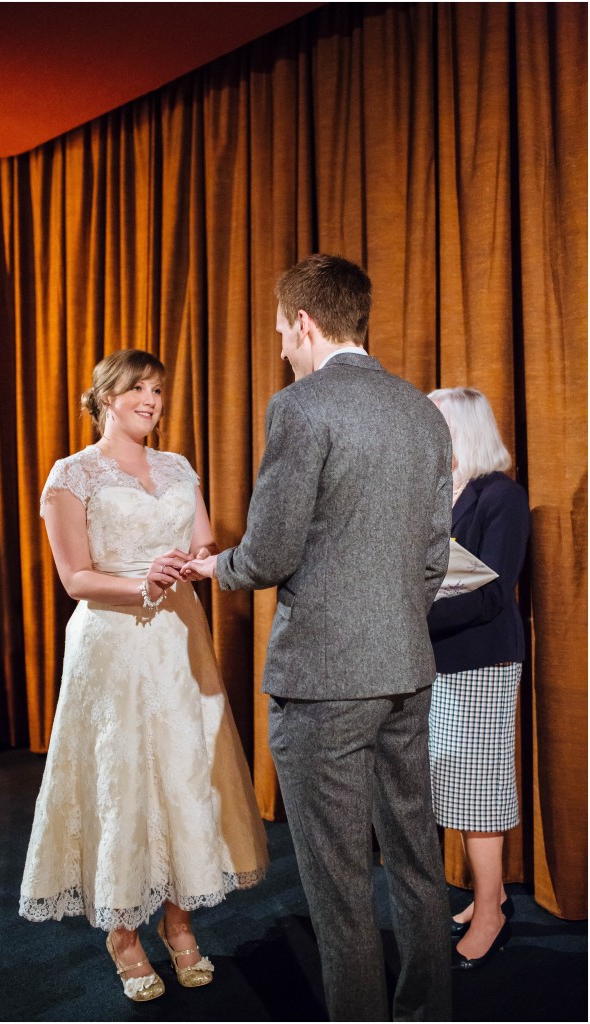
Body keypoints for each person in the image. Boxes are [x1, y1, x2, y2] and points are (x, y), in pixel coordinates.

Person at [183, 254, 454, 1021]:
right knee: (415, 863)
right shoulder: (421, 411)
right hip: (405, 664)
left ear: (305, 322)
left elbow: (268, 554)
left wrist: (216, 567)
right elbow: (434, 557)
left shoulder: (302, 406)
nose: (280, 349)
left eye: (280, 332)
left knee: (337, 886)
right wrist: (393, 615)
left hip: (323, 683)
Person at [19, 349, 267, 1003]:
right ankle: (124, 933)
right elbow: (74, 578)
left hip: (180, 642)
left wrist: (197, 561)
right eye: (138, 389)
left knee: (183, 776)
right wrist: (140, 580)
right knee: (124, 781)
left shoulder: (179, 467)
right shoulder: (71, 476)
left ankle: (178, 921)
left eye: (158, 390)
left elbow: (205, 544)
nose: (152, 400)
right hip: (114, 644)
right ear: (105, 397)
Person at [426, 387, 530, 970]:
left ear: (463, 428)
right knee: (458, 784)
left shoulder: (502, 496)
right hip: (441, 660)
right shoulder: (440, 493)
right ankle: (488, 897)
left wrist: (411, 611)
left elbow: (490, 594)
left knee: (479, 789)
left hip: (482, 660)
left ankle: (490, 913)